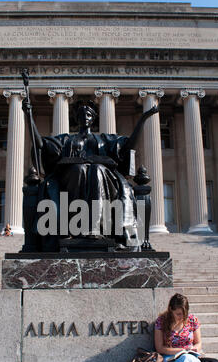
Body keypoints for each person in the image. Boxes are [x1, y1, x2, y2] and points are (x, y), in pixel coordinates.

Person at [22, 98, 159, 251]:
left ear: (93, 118)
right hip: (70, 178)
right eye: (81, 114)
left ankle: (96, 227)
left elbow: (128, 146)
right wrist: (29, 117)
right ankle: (75, 228)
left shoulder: (105, 139)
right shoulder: (66, 139)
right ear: (76, 118)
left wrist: (142, 120)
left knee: (96, 169)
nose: (84, 117)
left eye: (88, 114)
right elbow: (41, 146)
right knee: (79, 169)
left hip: (105, 180)